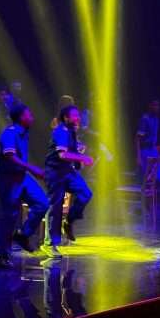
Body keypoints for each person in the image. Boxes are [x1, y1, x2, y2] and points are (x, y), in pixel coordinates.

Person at [0, 103, 48, 269]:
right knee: (10, 216)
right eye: (29, 115)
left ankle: (23, 235)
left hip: (22, 177)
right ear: (21, 117)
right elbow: (10, 157)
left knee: (42, 203)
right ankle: (2, 255)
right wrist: (33, 168)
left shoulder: (24, 133)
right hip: (8, 179)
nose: (32, 117)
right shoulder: (9, 133)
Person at [44, 105, 94, 258]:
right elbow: (63, 155)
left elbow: (71, 150)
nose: (78, 118)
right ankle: (50, 244)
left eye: (78, 115)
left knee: (85, 194)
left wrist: (78, 149)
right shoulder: (60, 131)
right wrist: (82, 157)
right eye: (74, 116)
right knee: (56, 206)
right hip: (55, 173)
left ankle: (69, 221)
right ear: (66, 118)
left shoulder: (72, 131)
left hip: (68, 172)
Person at [135, 99, 160, 185]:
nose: (157, 107)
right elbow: (137, 138)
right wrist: (138, 156)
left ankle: (151, 191)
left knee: (159, 176)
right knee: (146, 177)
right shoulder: (145, 119)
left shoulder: (157, 119)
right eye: (154, 105)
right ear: (150, 106)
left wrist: (158, 152)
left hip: (153, 150)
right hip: (145, 150)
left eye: (158, 105)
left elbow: (155, 136)